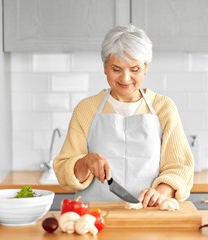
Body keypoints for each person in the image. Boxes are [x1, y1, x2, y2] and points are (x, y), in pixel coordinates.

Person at [53, 24, 194, 208]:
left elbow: (180, 167)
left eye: (134, 69)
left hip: (148, 216)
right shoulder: (86, 109)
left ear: (146, 68)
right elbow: (64, 172)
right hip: (94, 219)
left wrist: (161, 192)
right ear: (105, 68)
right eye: (116, 69)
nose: (125, 79)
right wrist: (85, 162)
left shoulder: (163, 108)